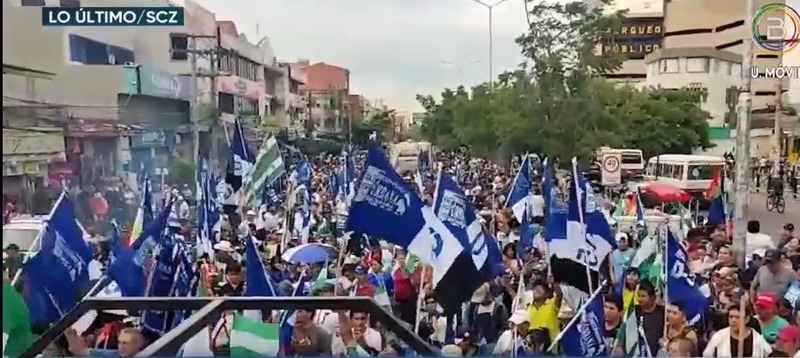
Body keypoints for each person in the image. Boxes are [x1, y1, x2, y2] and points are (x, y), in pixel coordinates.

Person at [703, 305, 772, 357]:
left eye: (737, 317)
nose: (733, 320)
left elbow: (768, 352)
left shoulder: (757, 339)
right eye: (731, 317)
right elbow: (707, 355)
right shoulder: (719, 337)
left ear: (746, 319)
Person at [65, 327, 145, 357]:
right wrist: (69, 334)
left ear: (138, 344)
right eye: (119, 342)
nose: (121, 347)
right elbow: (77, 350)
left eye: (125, 343)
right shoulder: (114, 355)